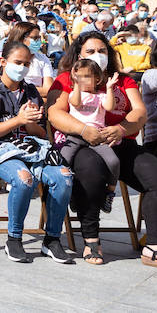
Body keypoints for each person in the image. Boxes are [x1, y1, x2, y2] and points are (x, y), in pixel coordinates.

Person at [47, 32, 157, 270]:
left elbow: (140, 112)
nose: (97, 56)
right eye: (90, 51)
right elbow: (55, 113)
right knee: (91, 169)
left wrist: (121, 129)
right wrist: (83, 129)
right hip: (83, 142)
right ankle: (91, 239)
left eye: (102, 50)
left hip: (121, 142)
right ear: (79, 54)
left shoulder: (122, 80)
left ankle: (155, 247)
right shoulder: (69, 79)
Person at [0, 41, 73, 264]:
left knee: (63, 176)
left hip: (28, 149)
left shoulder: (29, 90)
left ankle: (52, 239)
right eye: (18, 62)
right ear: (3, 61)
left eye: (26, 64)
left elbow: (41, 133)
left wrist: (30, 121)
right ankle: (14, 238)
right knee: (23, 178)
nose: (22, 68)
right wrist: (18, 119)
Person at [54, 58, 120, 212]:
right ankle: (69, 192)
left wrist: (110, 88)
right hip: (76, 135)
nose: (83, 80)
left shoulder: (101, 96)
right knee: (63, 160)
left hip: (97, 136)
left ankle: (110, 191)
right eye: (79, 76)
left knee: (114, 161)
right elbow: (76, 103)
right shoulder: (74, 94)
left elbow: (110, 106)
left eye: (87, 76)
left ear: (97, 79)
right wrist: (76, 84)